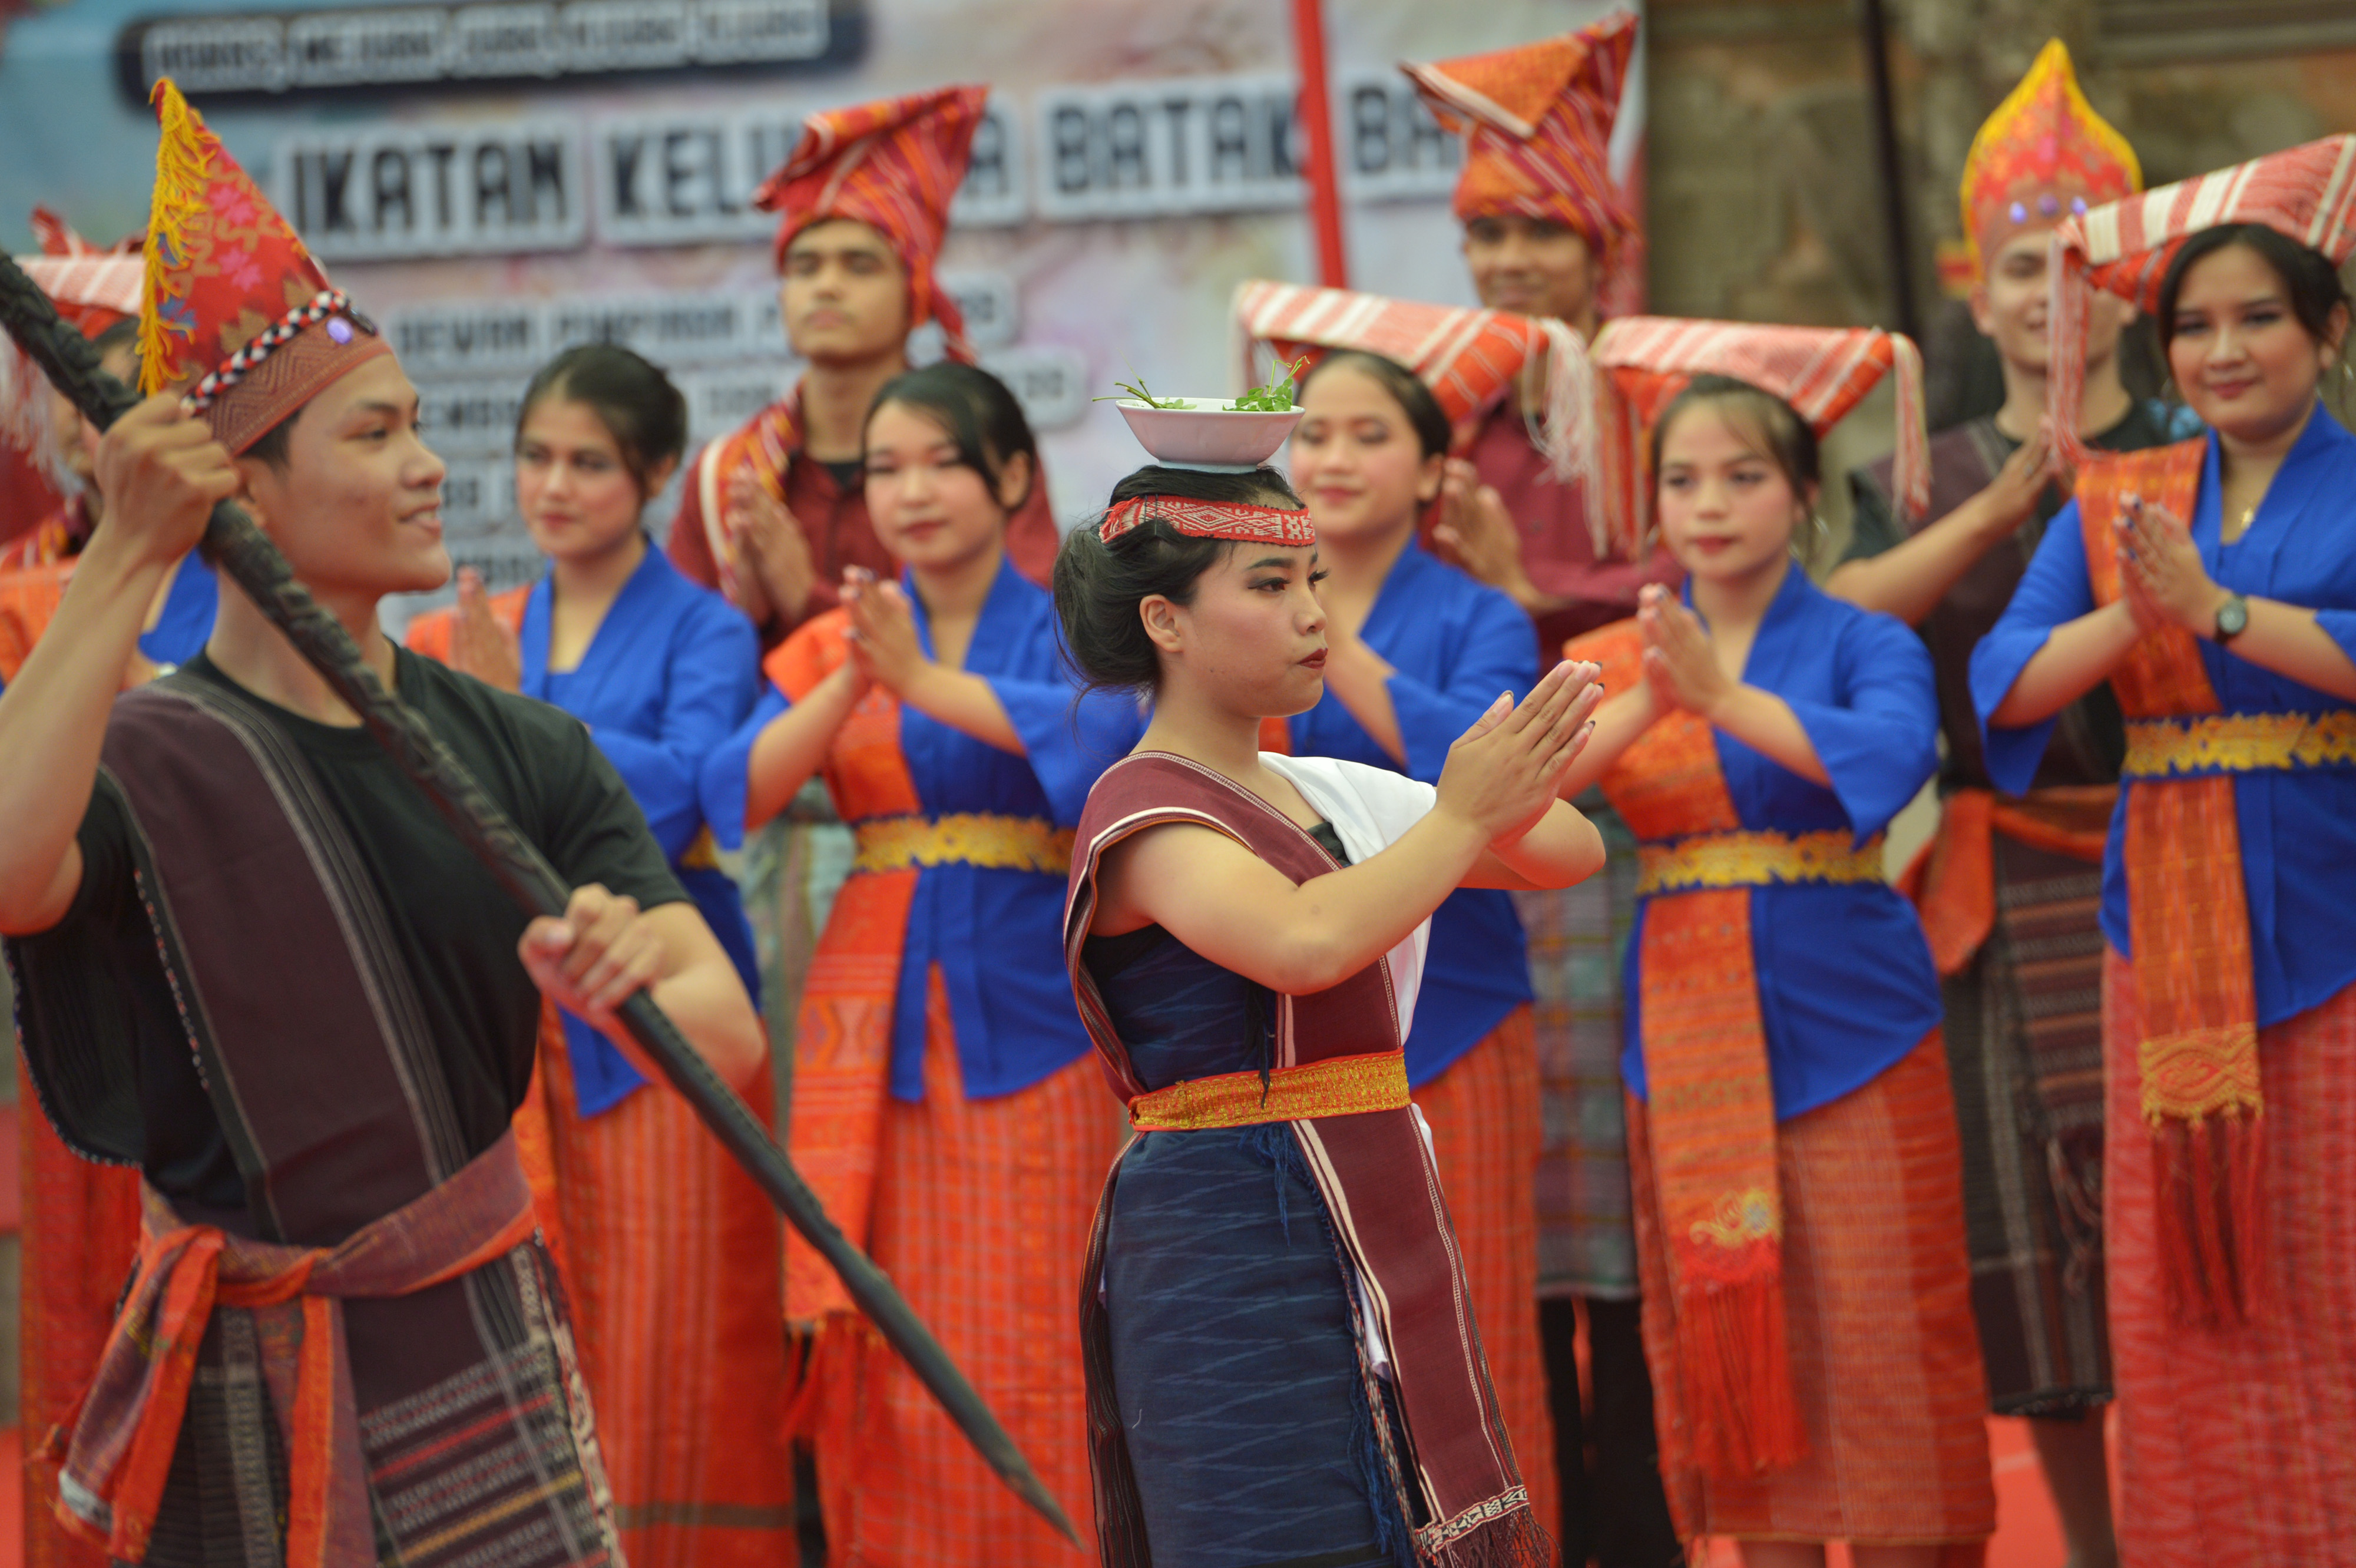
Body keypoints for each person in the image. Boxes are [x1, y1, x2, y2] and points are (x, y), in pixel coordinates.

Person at [0, 82, 765, 1568]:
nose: (431, 466)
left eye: (418, 425)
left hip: (478, 1333)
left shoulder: (517, 747)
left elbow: (722, 1033)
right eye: (376, 433)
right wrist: (122, 563)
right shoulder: (141, 752)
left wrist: (631, 963)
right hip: (239, 1351)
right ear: (247, 490)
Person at [1055, 455, 1606, 1568]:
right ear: (1165, 618)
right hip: (1226, 1224)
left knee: (1411, 1516)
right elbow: (1305, 943)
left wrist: (1495, 785)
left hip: (1370, 1190)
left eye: (1314, 577)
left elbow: (1566, 853)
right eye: (1267, 585)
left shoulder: (1324, 789)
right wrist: (1458, 816)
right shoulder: (1143, 808)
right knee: (1277, 1524)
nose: (1312, 613)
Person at [1971, 138, 2356, 1566]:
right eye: (2192, 324)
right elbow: (2004, 679)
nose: (2220, 347)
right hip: (2165, 918)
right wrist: (2141, 615)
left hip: (2333, 901)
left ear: (2324, 329)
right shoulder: (2116, 495)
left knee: (2329, 1246)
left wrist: (2221, 611)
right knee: (2185, 1275)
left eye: (2257, 316)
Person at [1564, 323, 1994, 1567]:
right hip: (1688, 1027)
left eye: (1742, 474)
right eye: (1681, 479)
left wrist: (1719, 698)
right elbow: (1507, 810)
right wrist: (1653, 694)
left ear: (1804, 492)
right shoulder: (1612, 655)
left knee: (1884, 1325)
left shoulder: (1864, 639)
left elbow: (1891, 758)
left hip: (1856, 1020)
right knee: (1736, 1323)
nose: (1708, 504)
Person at [699, 360, 1133, 1564]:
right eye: (883, 468)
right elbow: (734, 792)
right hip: (865, 1013)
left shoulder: (1070, 615)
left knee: (1036, 1314)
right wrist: (850, 670)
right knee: (879, 1325)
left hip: (1035, 1004)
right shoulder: (847, 632)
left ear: (1009, 476)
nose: (910, 491)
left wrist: (924, 683)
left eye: (941, 460)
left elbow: (1116, 742)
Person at [1822, 45, 2162, 1564]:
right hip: (1996, 887)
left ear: (2131, 285)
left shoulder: (2198, 445)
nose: (2050, 291)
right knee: (2032, 1262)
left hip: (2177, 852)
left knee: (2201, 1228)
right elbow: (1838, 632)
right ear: (1975, 293)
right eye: (2022, 265)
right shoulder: (1924, 476)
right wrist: (2001, 506)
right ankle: (2091, 1550)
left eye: (2080, 260)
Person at [406, 343, 793, 1564]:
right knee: (532, 1306)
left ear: (659, 473)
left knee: (671, 1313)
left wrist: (514, 713)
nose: (552, 485)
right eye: (534, 457)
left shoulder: (705, 627)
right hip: (508, 995)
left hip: (663, 977)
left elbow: (681, 796)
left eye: (588, 461)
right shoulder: (467, 621)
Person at [1407, 27, 1690, 1560]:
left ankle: (1641, 1521)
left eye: (1539, 231)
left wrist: (1524, 591)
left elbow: (1692, 617)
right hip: (1474, 871)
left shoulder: (1667, 408)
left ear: (1606, 240)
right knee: (1508, 1222)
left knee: (1634, 1219)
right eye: (1486, 234)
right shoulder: (1430, 416)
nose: (1510, 261)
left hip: (1633, 849)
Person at [1272, 345, 1561, 1544]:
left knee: (1467, 1317)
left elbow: (1496, 782)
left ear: (1435, 467)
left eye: (1367, 435)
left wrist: (1337, 643)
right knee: (1304, 1340)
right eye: (1314, 435)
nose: (1331, 458)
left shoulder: (1476, 615)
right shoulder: (1239, 595)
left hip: (1452, 1013)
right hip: (1278, 1024)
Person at [667, 85, 1058, 648]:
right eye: (804, 267)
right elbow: (687, 665)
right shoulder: (727, 477)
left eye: (860, 266)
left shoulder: (983, 451)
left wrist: (808, 600)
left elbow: (1026, 651)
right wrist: (743, 619)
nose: (826, 287)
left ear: (915, 293)